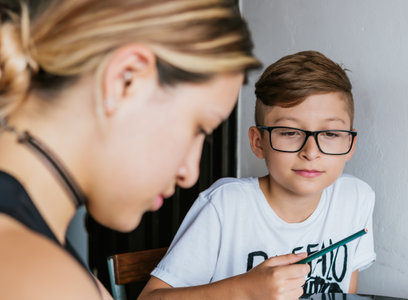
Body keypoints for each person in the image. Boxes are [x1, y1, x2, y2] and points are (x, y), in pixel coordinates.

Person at [0, 0, 261, 299]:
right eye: (198, 129)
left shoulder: (43, 251)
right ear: (126, 78)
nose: (190, 173)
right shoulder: (39, 278)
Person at [140, 50, 376, 298]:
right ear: (258, 142)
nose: (311, 152)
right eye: (289, 132)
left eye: (330, 134)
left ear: (350, 144)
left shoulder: (356, 199)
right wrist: (244, 290)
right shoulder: (225, 206)